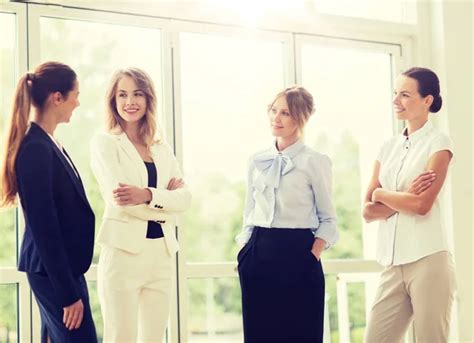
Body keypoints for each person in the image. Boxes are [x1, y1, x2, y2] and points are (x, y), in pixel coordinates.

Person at [90, 67, 191, 342]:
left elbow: (185, 199)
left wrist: (147, 194)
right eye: (122, 95)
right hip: (123, 254)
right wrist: (164, 202)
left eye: (137, 94)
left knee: (155, 338)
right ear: (113, 100)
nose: (129, 102)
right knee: (120, 336)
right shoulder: (105, 143)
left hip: (162, 254)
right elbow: (122, 201)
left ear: (148, 99)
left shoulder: (161, 147)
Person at [0, 61, 97, 342]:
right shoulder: (35, 148)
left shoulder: (48, 142)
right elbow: (45, 226)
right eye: (75, 95)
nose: (77, 103)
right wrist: (67, 294)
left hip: (61, 270)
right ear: (57, 97)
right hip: (54, 273)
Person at [236, 86, 339, 343]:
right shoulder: (257, 160)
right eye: (273, 110)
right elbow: (249, 211)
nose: (276, 118)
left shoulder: (315, 161)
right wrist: (245, 251)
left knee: (301, 334)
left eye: (286, 113)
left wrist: (311, 255)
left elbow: (328, 218)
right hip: (258, 254)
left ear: (301, 118)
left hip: (298, 255)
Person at [363, 67, 456, 342]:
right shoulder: (387, 147)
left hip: (428, 260)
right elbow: (367, 211)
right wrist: (400, 197)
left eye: (405, 94)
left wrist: (382, 194)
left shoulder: (439, 143)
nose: (396, 101)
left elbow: (422, 205)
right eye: (395, 93)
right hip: (392, 264)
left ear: (427, 100)